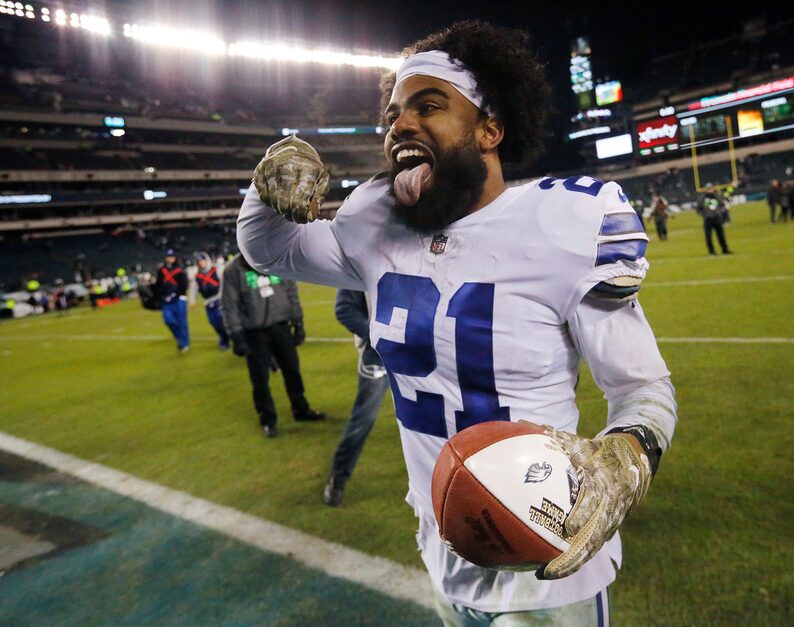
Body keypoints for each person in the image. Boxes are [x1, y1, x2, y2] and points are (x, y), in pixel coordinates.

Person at [238, 20, 677, 624]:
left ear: (490, 129)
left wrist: (626, 455)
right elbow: (271, 250)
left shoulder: (564, 225)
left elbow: (641, 388)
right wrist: (268, 182)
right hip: (444, 540)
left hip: (546, 559)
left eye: (429, 105)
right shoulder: (376, 223)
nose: (401, 125)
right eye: (393, 114)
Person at [219, 254, 326, 438]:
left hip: (281, 326)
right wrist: (236, 335)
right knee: (260, 378)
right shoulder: (233, 270)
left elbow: (291, 291)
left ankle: (300, 408)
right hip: (254, 332)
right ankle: (268, 419)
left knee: (292, 370)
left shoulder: (275, 260)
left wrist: (298, 322)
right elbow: (229, 304)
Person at [323, 289, 389, 506]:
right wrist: (378, 336)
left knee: (431, 419)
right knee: (363, 419)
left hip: (416, 354)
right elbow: (344, 309)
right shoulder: (367, 257)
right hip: (378, 356)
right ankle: (338, 477)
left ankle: (446, 480)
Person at [190, 252, 230, 351]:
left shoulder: (216, 270)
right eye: (199, 261)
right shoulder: (197, 276)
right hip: (208, 302)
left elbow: (226, 281)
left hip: (220, 299)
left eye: (202, 260)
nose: (201, 263)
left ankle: (229, 339)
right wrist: (192, 300)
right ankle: (224, 337)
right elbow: (193, 289)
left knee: (226, 320)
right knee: (214, 322)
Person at [155, 248, 190, 352]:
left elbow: (184, 285)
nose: (170, 259)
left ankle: (184, 344)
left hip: (179, 299)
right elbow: (158, 285)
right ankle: (178, 335)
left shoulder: (180, 269)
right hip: (166, 300)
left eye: (172, 257)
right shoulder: (161, 270)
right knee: (168, 320)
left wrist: (176, 294)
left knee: (182, 322)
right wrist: (160, 297)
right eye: (168, 257)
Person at [696, 187, 732, 255]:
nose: (710, 190)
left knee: (721, 235)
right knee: (708, 237)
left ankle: (725, 249)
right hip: (708, 219)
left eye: (711, 188)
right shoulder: (702, 198)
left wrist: (719, 213)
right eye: (708, 189)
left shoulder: (716, 196)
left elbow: (722, 205)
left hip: (717, 218)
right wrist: (704, 215)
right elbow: (698, 209)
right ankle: (711, 251)